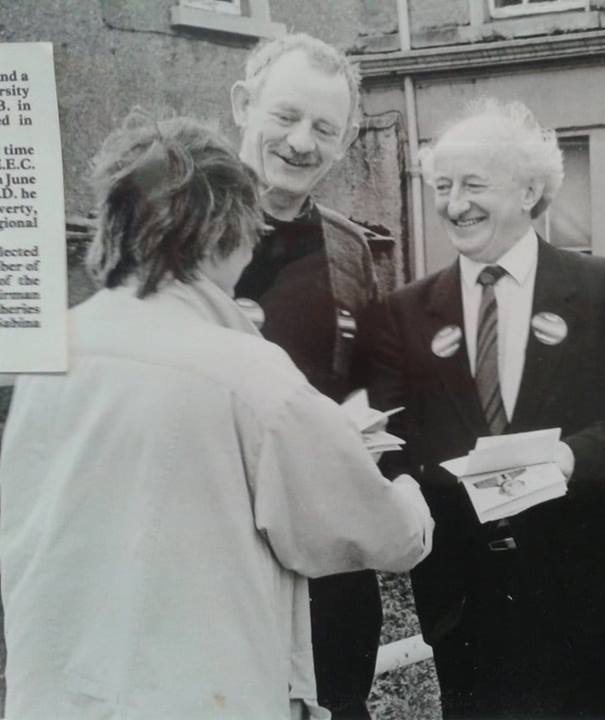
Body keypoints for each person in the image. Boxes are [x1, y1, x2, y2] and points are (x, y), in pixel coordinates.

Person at [0, 113, 432, 720]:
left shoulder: (52, 348)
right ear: (227, 233)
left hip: (55, 691)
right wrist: (409, 495)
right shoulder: (250, 373)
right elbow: (377, 533)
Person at [357, 98, 605, 719]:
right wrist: (398, 484)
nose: (454, 203)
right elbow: (386, 436)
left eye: (474, 184)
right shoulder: (406, 310)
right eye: (442, 186)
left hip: (582, 592)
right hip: (465, 605)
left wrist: (565, 458)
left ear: (530, 190)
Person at [229, 34, 384, 719]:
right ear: (242, 105)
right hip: (218, 552)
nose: (301, 142)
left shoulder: (350, 248)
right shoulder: (169, 224)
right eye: (285, 116)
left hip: (328, 565)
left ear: (345, 140)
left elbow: (367, 383)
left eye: (325, 128)